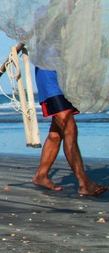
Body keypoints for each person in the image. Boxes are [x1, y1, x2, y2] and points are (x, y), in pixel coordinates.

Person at [31, 67, 107, 196]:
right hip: (50, 78)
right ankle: (84, 183)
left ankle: (41, 176)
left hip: (68, 78)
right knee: (69, 128)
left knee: (56, 133)